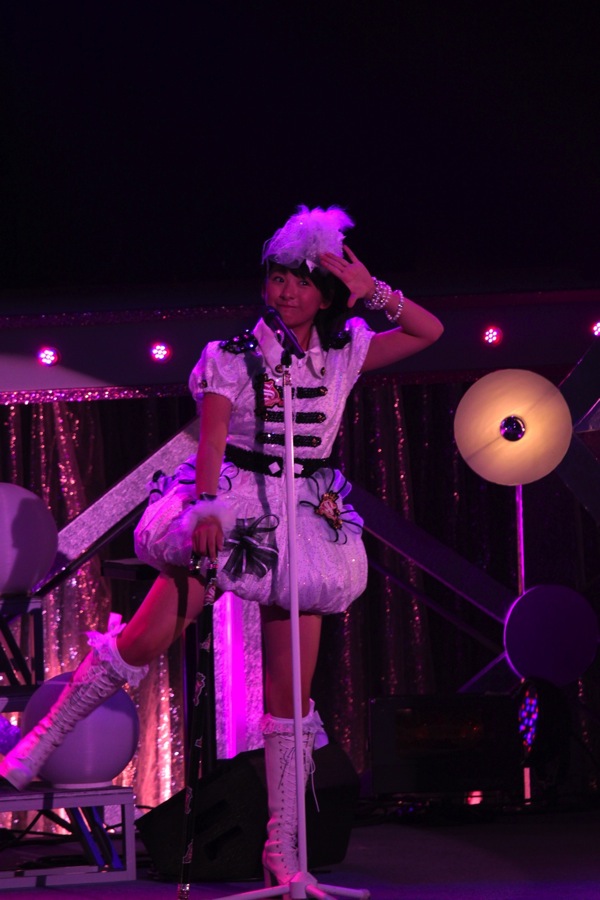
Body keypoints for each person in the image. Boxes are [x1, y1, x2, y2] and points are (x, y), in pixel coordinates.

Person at [0, 205, 443, 889]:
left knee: (291, 698)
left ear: (326, 293)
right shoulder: (231, 357)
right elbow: (211, 441)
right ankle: (42, 739)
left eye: (301, 281)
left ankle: (282, 852)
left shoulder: (345, 351)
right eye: (278, 278)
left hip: (305, 515)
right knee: (147, 636)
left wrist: (372, 289)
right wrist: (205, 508)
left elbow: (428, 331)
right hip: (233, 498)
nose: (286, 291)